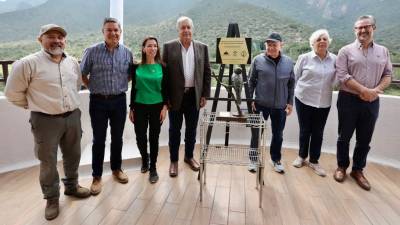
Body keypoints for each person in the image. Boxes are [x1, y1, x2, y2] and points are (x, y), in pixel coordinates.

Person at [4, 24, 90, 220]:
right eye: (50, 36)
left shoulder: (72, 63)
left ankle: (72, 186)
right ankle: (51, 198)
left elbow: (75, 85)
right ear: (40, 40)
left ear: (65, 41)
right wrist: (34, 105)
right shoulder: (27, 64)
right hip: (44, 121)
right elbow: (12, 93)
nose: (56, 40)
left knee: (73, 154)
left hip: (72, 116)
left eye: (60, 37)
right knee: (48, 161)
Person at [334, 15, 392, 190]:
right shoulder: (345, 51)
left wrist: (374, 92)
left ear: (374, 28)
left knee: (365, 139)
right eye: (359, 28)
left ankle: (358, 170)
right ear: (355, 30)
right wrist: (364, 90)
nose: (363, 30)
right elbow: (343, 76)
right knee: (344, 137)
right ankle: (342, 166)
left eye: (366, 27)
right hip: (348, 100)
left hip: (372, 101)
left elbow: (388, 75)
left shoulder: (383, 51)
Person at [81, 17, 133, 195]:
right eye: (109, 30)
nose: (113, 33)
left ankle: (116, 169)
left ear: (120, 32)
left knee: (118, 138)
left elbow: (129, 75)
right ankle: (96, 176)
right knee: (99, 140)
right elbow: (82, 73)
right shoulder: (92, 51)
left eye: (116, 30)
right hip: (98, 102)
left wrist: (118, 87)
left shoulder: (127, 52)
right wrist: (93, 88)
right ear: (103, 32)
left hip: (119, 100)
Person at [163, 16, 211, 177]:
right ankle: (174, 161)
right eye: (183, 28)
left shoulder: (202, 48)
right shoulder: (168, 47)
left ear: (192, 29)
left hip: (194, 96)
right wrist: (166, 98)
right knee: (174, 130)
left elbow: (207, 72)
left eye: (188, 27)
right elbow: (164, 75)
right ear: (178, 30)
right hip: (175, 97)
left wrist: (204, 94)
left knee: (191, 130)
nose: (186, 30)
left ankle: (189, 157)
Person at [292, 29, 337, 177]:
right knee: (305, 130)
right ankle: (301, 156)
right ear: (313, 43)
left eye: (325, 39)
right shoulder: (304, 58)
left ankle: (314, 160)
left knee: (318, 132)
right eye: (319, 39)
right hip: (304, 99)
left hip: (324, 102)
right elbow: (295, 78)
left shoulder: (335, 60)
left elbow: (337, 80)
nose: (322, 41)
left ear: (328, 42)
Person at [248, 32, 295, 174]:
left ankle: (275, 160)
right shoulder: (258, 60)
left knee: (278, 135)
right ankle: (253, 159)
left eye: (274, 44)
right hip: (260, 104)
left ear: (281, 45)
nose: (271, 47)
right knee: (256, 133)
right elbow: (251, 81)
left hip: (280, 106)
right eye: (268, 44)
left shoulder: (288, 62)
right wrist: (251, 99)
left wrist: (290, 102)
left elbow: (291, 84)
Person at [129, 36, 168, 183]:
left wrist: (165, 107)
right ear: (144, 49)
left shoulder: (163, 67)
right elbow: (134, 89)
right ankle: (144, 160)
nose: (153, 48)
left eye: (155, 46)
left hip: (157, 107)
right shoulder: (136, 67)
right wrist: (131, 108)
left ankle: (153, 168)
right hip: (139, 106)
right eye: (149, 46)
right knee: (140, 137)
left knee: (154, 137)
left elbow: (166, 90)